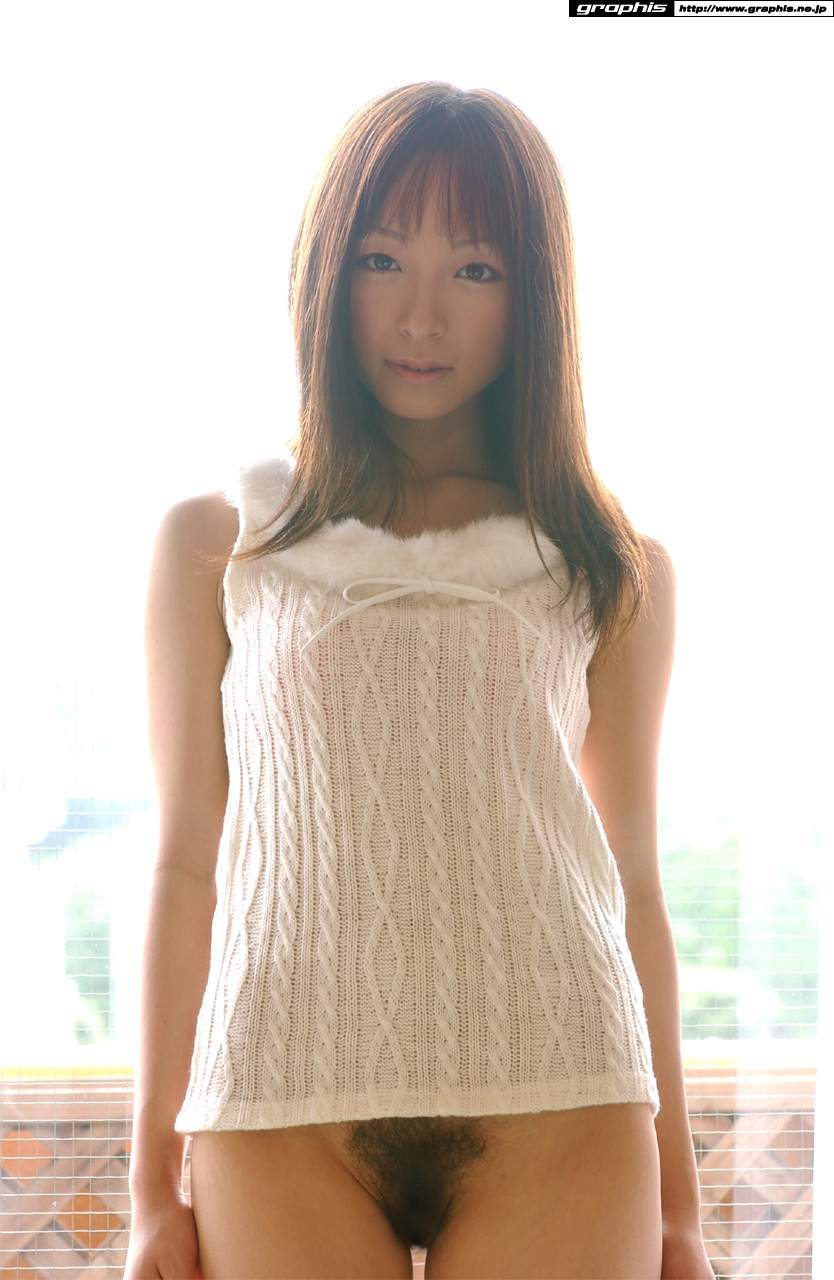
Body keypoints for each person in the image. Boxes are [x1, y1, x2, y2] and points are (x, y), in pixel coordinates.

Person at [125, 81, 699, 1280]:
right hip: (280, 1093)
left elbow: (635, 883)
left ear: (533, 298)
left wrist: (682, 1210)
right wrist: (146, 1189)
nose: (421, 315)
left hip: (564, 1085)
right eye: (383, 259)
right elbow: (184, 863)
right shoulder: (219, 541)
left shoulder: (610, 562)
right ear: (328, 273)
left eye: (475, 270)